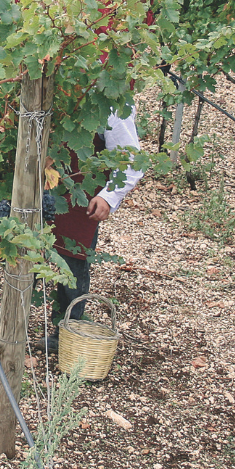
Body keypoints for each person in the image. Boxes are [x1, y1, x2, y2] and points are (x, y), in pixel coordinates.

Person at [44, 108, 144, 354]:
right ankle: (14, 317)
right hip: (40, 186)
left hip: (81, 195)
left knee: (73, 262)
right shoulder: (52, 84)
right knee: (25, 250)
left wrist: (109, 197)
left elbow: (131, 159)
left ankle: (66, 333)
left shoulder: (113, 106)